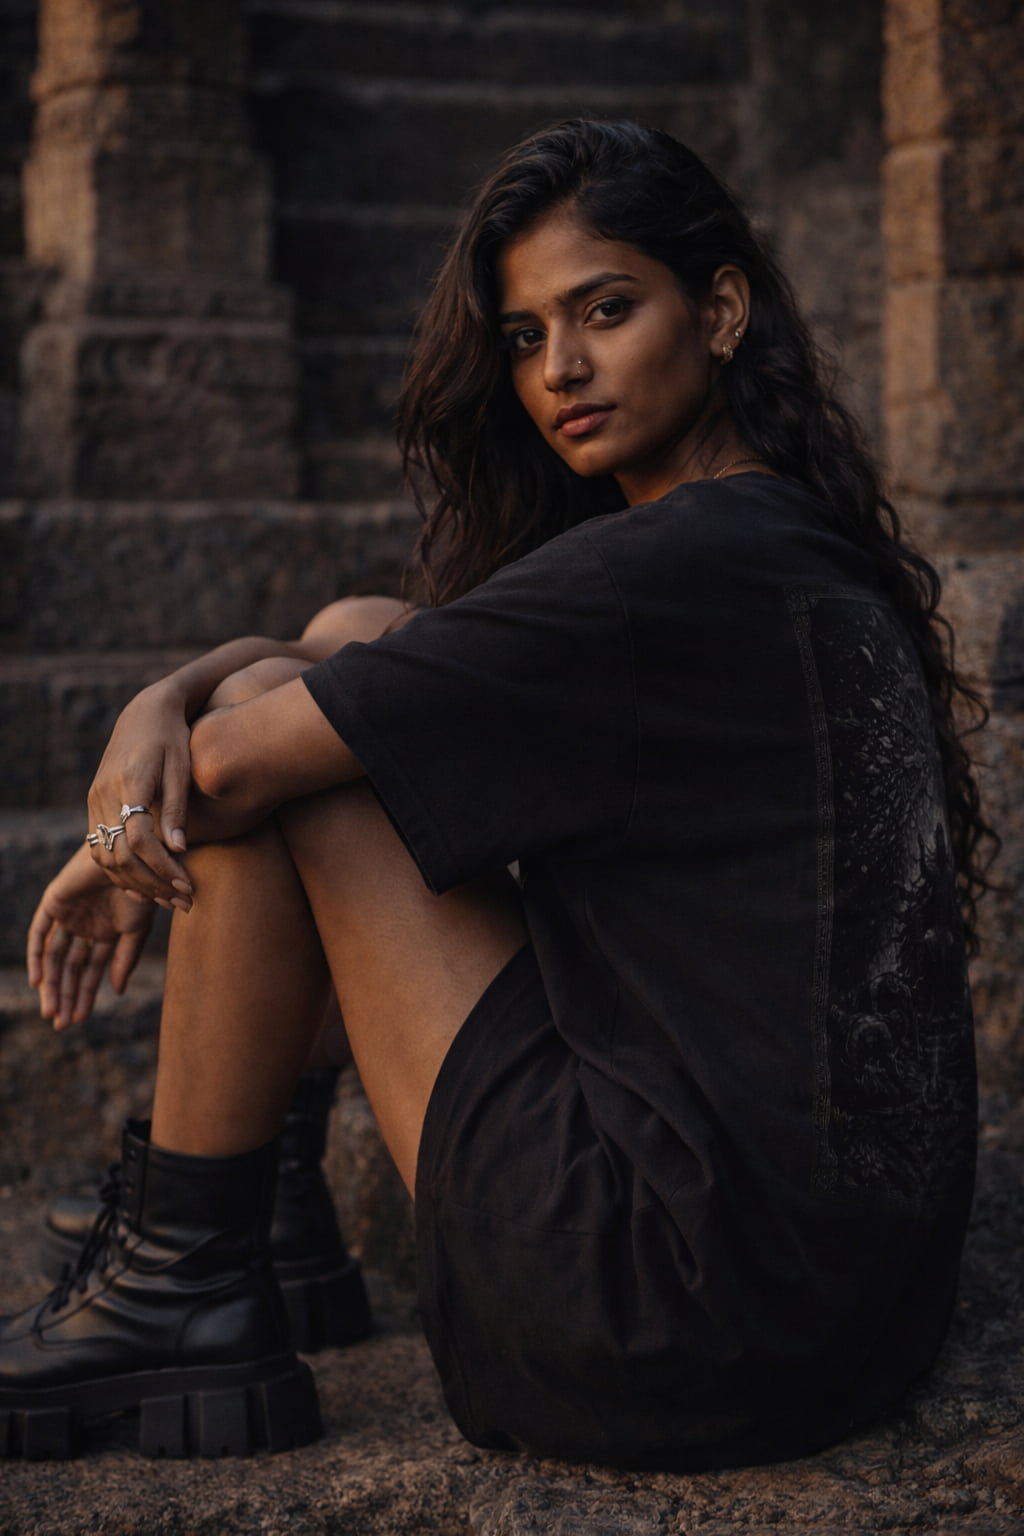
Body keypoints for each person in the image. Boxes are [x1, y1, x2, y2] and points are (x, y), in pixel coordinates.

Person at [0, 118, 991, 1470]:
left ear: (721, 306)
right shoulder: (768, 536)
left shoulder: (668, 569)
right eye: (524, 335)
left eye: (605, 310)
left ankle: (185, 1276)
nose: (560, 370)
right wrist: (151, 704)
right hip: (837, 1307)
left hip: (665, 1315)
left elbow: (229, 773)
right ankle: (272, 1216)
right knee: (352, 637)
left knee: (278, 754)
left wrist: (146, 780)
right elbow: (376, 653)